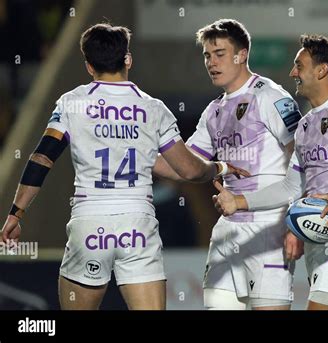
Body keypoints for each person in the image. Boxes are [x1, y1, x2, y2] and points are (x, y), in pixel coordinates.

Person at [0, 23, 246, 310]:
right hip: (137, 226)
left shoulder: (72, 103)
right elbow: (188, 170)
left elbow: (42, 158)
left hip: (90, 225)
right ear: (128, 59)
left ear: (89, 65)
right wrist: (219, 168)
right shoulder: (153, 108)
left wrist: (16, 213)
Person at [213, 34, 328, 310]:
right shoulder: (305, 125)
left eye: (299, 66)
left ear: (322, 70)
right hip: (319, 233)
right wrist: (239, 202)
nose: (293, 73)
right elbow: (291, 187)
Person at [153, 19, 302, 310]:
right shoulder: (214, 110)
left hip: (268, 228)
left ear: (242, 54)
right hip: (227, 230)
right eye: (207, 55)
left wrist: (296, 223)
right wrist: (136, 155)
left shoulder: (270, 96)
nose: (211, 62)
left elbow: (303, 155)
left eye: (219, 53)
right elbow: (185, 167)